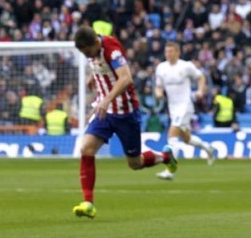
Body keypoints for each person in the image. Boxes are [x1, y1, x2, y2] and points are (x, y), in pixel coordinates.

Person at [72, 26, 178, 219]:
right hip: (103, 111)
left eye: (88, 52)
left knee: (135, 163)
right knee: (86, 148)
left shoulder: (112, 48)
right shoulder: (91, 49)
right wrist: (92, 77)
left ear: (96, 43)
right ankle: (88, 203)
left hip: (125, 112)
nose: (87, 55)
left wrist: (107, 99)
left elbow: (126, 78)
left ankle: (165, 157)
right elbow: (99, 65)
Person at [154, 41, 216, 180]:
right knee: (186, 139)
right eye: (167, 52)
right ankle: (208, 148)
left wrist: (200, 90)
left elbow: (201, 77)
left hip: (185, 105)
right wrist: (158, 93)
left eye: (171, 51)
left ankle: (171, 170)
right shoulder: (161, 68)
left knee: (172, 133)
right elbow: (158, 86)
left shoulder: (186, 66)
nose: (168, 54)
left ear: (178, 52)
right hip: (173, 107)